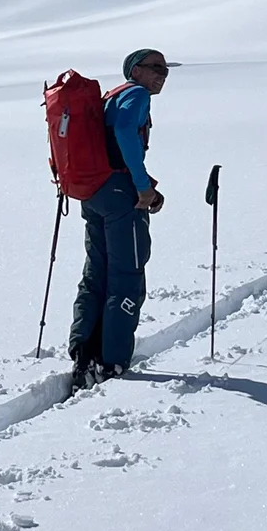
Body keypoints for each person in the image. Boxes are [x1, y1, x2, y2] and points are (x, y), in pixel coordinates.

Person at [67, 48, 173, 390]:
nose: (162, 74)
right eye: (155, 67)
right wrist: (142, 187)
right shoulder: (137, 94)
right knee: (126, 273)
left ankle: (84, 347)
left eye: (166, 68)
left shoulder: (113, 96)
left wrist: (145, 185)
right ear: (136, 70)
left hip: (94, 193)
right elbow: (126, 133)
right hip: (120, 198)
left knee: (96, 271)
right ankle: (110, 361)